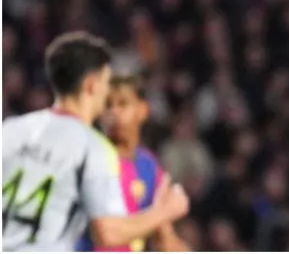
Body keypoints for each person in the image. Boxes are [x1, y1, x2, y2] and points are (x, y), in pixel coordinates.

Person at [1, 31, 190, 251]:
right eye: (106, 82)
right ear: (92, 85)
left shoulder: (12, 129)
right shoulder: (92, 148)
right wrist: (167, 210)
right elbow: (108, 233)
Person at [76, 75, 190, 251]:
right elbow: (106, 234)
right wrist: (166, 211)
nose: (114, 113)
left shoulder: (150, 167)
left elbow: (164, 238)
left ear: (143, 110)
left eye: (123, 104)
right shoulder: (92, 159)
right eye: (107, 105)